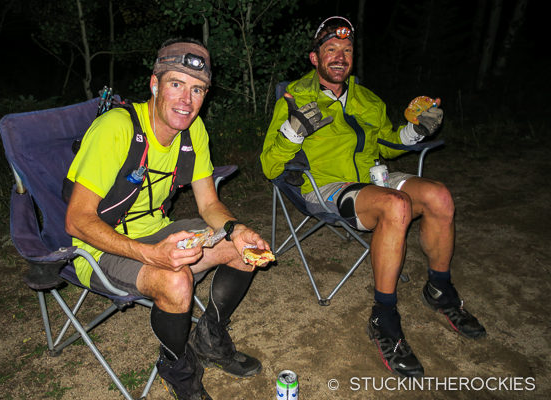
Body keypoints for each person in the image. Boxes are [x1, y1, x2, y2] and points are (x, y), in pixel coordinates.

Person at [260, 16, 486, 377]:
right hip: (325, 187)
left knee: (439, 195)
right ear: (314, 58)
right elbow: (269, 165)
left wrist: (415, 131)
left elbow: (388, 143)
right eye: (330, 49)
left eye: (347, 50)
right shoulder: (295, 97)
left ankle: (440, 289)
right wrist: (294, 130)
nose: (339, 56)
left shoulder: (367, 99)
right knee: (395, 205)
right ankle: (383, 316)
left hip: (371, 177)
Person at [65, 38, 269, 399]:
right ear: (155, 84)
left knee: (244, 248)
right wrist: (150, 255)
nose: (186, 101)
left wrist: (235, 230)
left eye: (197, 90)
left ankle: (210, 337)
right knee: (176, 283)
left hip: (158, 231)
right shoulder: (117, 128)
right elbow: (77, 222)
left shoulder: (194, 131)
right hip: (100, 246)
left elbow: (209, 206)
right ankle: (177, 366)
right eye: (176, 84)